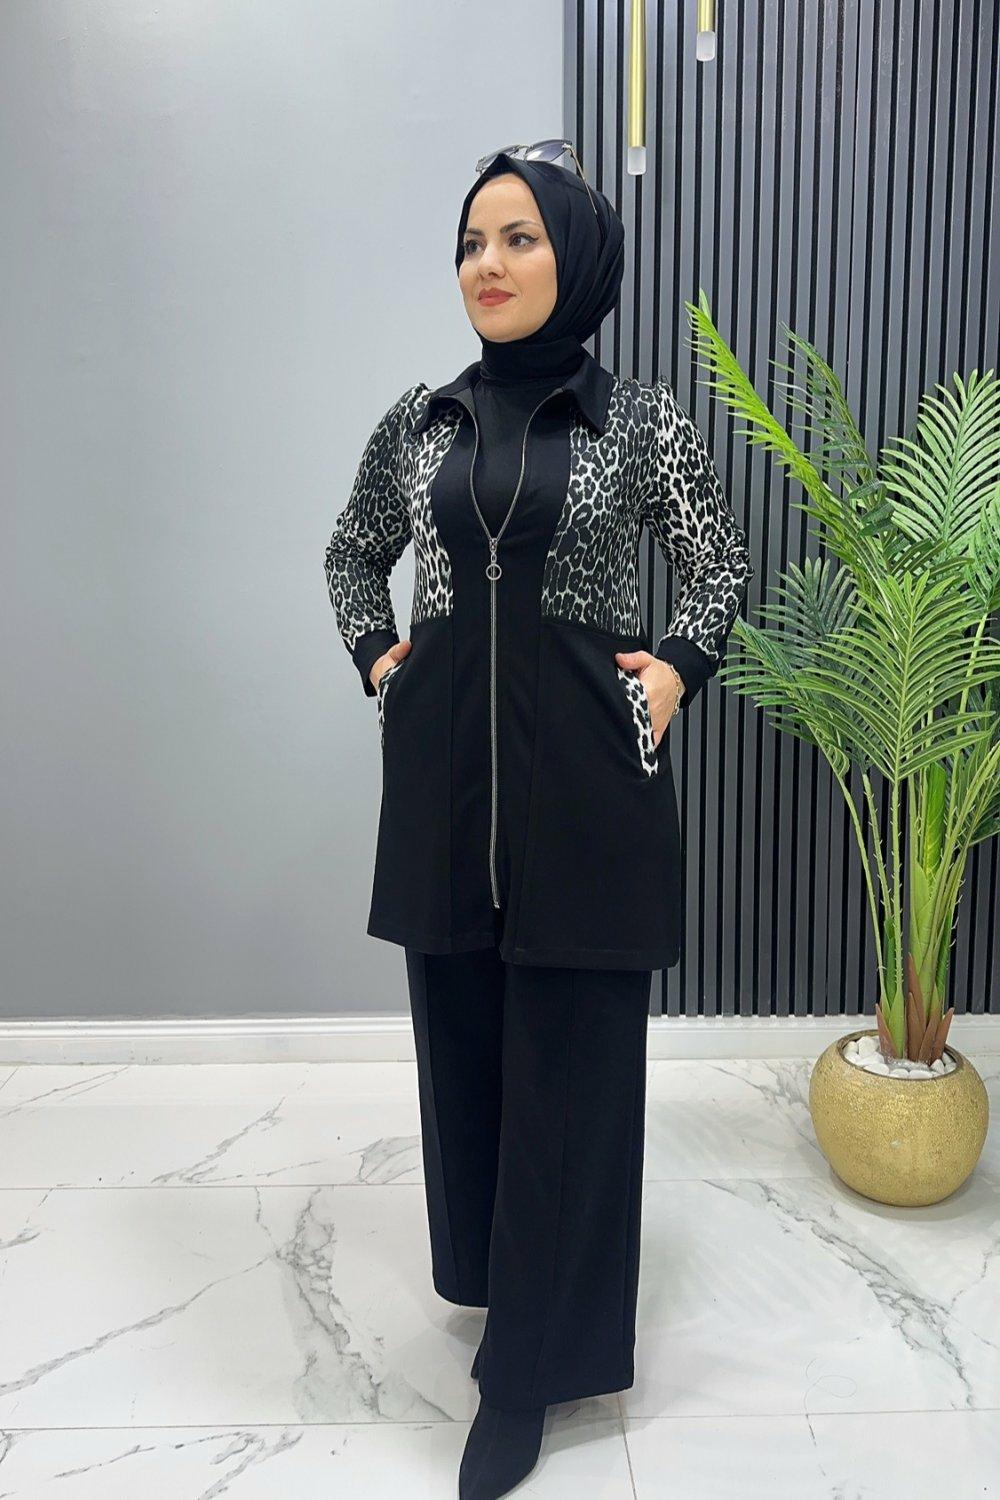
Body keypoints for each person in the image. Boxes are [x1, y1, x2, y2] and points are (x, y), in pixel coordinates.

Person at [324, 144, 755, 1500]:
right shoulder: (424, 423)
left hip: (584, 787)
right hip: (447, 790)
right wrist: (381, 661)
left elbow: (718, 565)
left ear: (577, 257)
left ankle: (528, 1376)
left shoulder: (640, 422)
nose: (488, 264)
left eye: (518, 237)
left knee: (572, 1073)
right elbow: (352, 550)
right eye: (472, 242)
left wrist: (674, 670)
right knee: (465, 1054)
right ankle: (495, 1285)